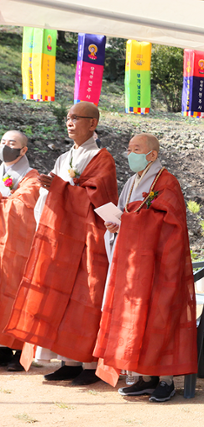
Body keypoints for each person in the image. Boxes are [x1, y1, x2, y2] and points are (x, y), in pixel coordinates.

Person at [4, 101, 118, 385]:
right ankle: (68, 361)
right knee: (62, 300)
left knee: (86, 299)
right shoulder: (64, 158)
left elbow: (98, 196)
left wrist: (59, 189)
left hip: (89, 239)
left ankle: (89, 365)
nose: (69, 122)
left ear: (92, 124)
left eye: (76, 118)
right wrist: (49, 191)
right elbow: (52, 195)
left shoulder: (102, 158)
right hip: (63, 238)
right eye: (67, 117)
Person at [93, 133, 197, 402]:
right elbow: (126, 215)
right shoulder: (131, 182)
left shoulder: (166, 182)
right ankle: (144, 377)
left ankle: (166, 380)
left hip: (162, 261)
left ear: (152, 154)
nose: (130, 154)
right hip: (135, 263)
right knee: (138, 316)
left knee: (160, 317)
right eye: (129, 149)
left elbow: (171, 221)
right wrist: (115, 225)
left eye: (136, 149)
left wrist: (131, 223)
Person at [0, 130, 40, 372]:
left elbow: (23, 206)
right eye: (3, 142)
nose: (6, 146)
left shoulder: (32, 177)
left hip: (18, 249)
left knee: (18, 296)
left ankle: (20, 351)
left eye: (12, 143)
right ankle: (2, 347)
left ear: (23, 150)